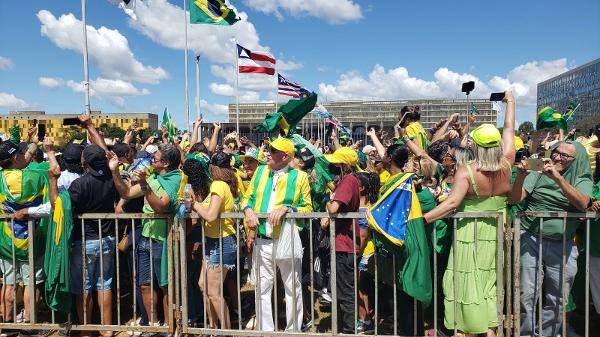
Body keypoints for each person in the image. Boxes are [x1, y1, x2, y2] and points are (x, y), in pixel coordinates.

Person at [423, 91, 516, 337]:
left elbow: (452, 203)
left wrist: (422, 219)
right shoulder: (508, 163)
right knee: (489, 285)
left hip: (469, 234)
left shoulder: (467, 171)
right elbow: (509, 129)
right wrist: (511, 102)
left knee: (467, 286)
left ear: (475, 145)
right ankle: (490, 331)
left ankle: (469, 330)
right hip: (496, 232)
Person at [509, 140, 592, 337]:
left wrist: (557, 178)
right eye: (556, 152)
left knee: (558, 296)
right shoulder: (540, 168)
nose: (557, 157)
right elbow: (514, 199)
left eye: (564, 156)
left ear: (576, 160)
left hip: (563, 242)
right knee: (526, 293)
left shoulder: (582, 176)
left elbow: (582, 203)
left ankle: (547, 334)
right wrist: (521, 177)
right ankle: (525, 334)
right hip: (530, 236)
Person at [109, 143, 184, 329]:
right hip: (145, 237)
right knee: (144, 284)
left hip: (163, 240)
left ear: (165, 163)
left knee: (166, 286)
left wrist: (144, 183)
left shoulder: (175, 179)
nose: (151, 161)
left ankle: (168, 326)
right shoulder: (153, 177)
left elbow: (161, 206)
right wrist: (114, 171)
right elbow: (125, 192)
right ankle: (152, 324)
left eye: (155, 159)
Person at [241, 137, 312, 332]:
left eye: (272, 151)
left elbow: (308, 209)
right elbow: (248, 197)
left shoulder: (300, 177)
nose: (267, 153)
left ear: (285, 156)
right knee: (262, 289)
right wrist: (248, 210)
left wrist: (289, 209)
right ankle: (266, 331)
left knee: (292, 287)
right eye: (269, 149)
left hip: (287, 239)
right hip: (263, 240)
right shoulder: (261, 171)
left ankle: (293, 331)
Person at [64, 144, 117, 337]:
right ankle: (107, 328)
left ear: (84, 162)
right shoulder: (111, 179)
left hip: (84, 242)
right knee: (105, 284)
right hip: (107, 239)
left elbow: (63, 208)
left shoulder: (79, 184)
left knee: (83, 287)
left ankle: (86, 330)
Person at [184, 152, 238, 330]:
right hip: (213, 241)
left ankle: (226, 331)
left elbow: (210, 216)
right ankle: (213, 328)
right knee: (203, 286)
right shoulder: (217, 185)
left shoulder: (218, 185)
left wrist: (195, 205)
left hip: (223, 242)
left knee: (214, 292)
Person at [0, 140, 46, 327]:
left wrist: (34, 143)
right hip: (31, 239)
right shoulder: (36, 177)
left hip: (5, 240)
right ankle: (29, 324)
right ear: (14, 157)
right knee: (31, 284)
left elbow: (22, 162)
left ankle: (8, 322)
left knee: (8, 283)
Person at [323, 146, 361, 334]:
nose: (332, 165)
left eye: (336, 163)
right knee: (343, 288)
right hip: (344, 242)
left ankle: (348, 330)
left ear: (344, 165)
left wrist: (327, 202)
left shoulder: (348, 180)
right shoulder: (350, 180)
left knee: (345, 290)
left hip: (345, 244)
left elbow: (333, 208)